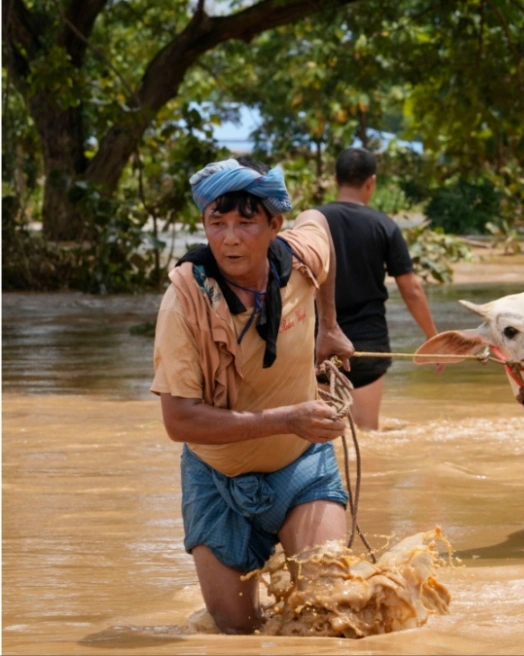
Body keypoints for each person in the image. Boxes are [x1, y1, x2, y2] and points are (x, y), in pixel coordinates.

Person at [152, 157, 355, 633]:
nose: (230, 238)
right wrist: (287, 418)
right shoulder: (185, 301)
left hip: (301, 465)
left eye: (246, 222)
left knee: (330, 612)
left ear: (274, 224)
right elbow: (178, 421)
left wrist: (330, 325)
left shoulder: (300, 258)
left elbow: (321, 222)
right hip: (217, 477)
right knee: (236, 632)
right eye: (216, 223)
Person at [315, 147, 439, 431]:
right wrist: (433, 338)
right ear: (371, 182)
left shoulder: (312, 222)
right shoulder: (384, 225)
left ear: (335, 179)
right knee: (368, 432)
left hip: (319, 341)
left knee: (322, 435)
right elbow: (412, 291)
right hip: (367, 345)